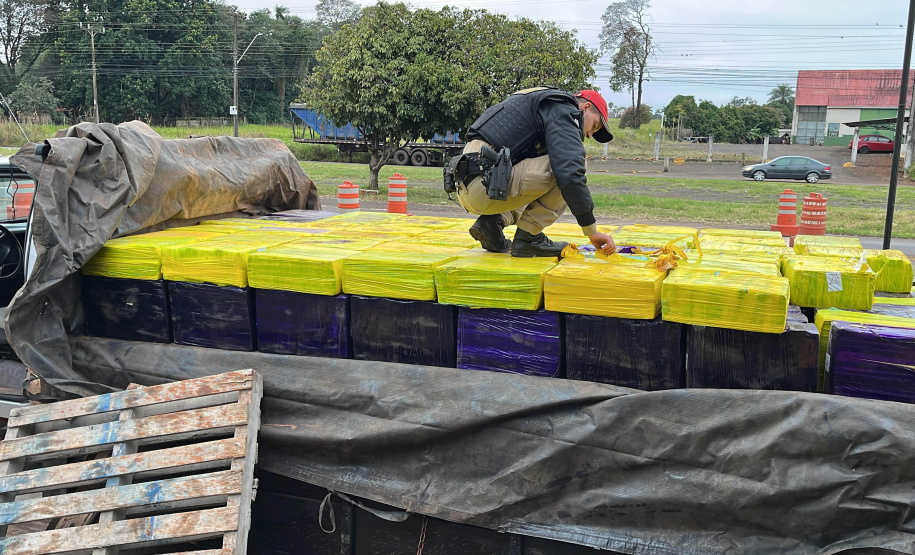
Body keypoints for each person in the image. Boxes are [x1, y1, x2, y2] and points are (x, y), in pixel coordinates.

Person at [450, 87, 617, 258]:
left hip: (468, 182)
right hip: (485, 182)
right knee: (570, 163)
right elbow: (570, 173)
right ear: (586, 107)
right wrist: (591, 231)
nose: (589, 135)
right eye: (594, 126)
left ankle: (492, 222)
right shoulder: (564, 108)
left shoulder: (542, 100)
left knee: (553, 160)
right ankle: (529, 238)